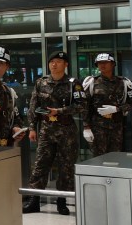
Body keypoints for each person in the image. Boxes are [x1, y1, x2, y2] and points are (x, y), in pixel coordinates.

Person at [24, 51, 87, 215]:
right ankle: (34, 200)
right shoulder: (41, 82)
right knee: (40, 165)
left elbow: (82, 105)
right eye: (52, 61)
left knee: (65, 167)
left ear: (65, 64)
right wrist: (32, 127)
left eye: (59, 61)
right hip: (46, 130)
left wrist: (59, 111)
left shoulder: (74, 83)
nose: (54, 64)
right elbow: (33, 106)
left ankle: (62, 201)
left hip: (67, 131)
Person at [82, 53, 132, 155]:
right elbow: (85, 106)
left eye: (105, 62)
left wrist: (117, 109)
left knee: (115, 157)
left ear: (113, 64)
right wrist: (86, 127)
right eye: (99, 63)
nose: (102, 65)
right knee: (98, 158)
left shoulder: (124, 82)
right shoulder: (92, 82)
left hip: (117, 127)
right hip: (97, 127)